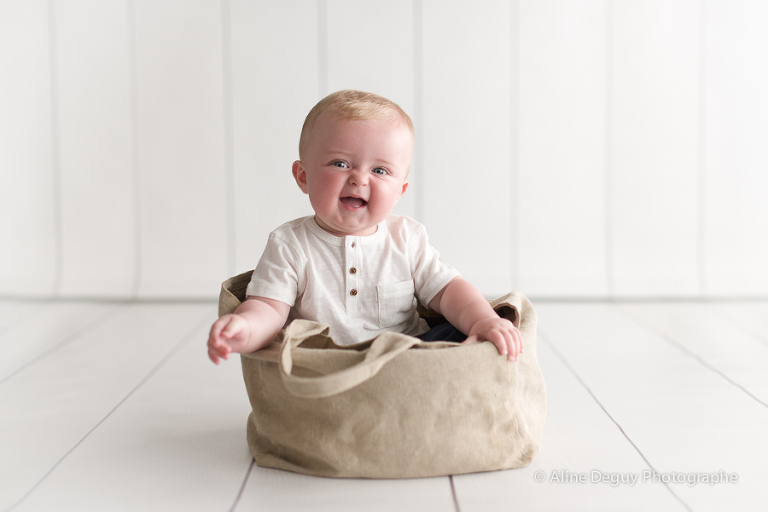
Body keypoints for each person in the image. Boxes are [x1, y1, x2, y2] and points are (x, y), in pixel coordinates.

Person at [207, 90, 522, 364]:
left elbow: (448, 290)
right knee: (282, 339)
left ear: (399, 192)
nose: (359, 178)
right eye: (340, 163)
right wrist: (246, 328)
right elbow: (268, 307)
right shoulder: (290, 243)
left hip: (409, 357)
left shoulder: (407, 238)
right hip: (324, 361)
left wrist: (482, 319)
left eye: (380, 170)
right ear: (303, 177)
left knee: (459, 333)